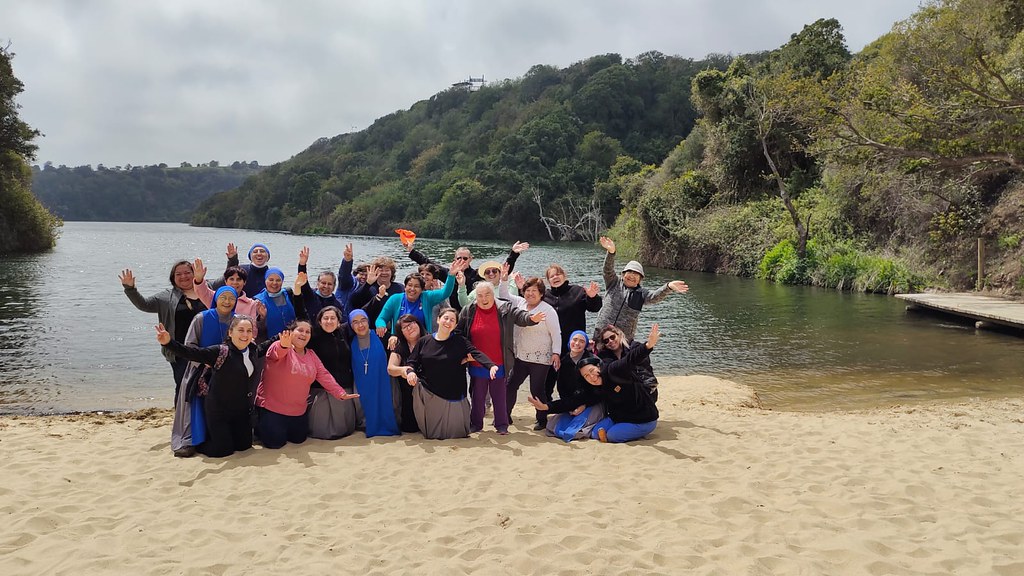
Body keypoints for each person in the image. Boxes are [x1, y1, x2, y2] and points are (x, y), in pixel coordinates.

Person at [121, 261, 207, 457]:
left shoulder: (206, 290)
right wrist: (130, 288)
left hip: (206, 351)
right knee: (185, 391)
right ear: (173, 277)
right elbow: (143, 305)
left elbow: (230, 283)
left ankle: (203, 428)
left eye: (188, 272)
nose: (184, 276)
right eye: (179, 274)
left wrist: (232, 259)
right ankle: (185, 434)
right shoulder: (166, 297)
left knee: (206, 390)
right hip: (180, 352)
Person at [156, 316, 272, 458]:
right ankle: (198, 444)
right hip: (218, 410)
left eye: (249, 331)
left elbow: (264, 346)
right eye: (240, 330)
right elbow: (191, 353)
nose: (245, 335)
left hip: (240, 410)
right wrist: (168, 343)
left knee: (244, 446)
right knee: (223, 450)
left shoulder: (252, 350)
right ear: (230, 332)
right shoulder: (220, 352)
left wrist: (282, 336)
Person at [530, 324, 662, 444]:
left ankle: (635, 431)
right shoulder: (593, 386)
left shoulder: (612, 370)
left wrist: (648, 345)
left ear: (599, 366)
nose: (592, 377)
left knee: (612, 436)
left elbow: (630, 360)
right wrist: (546, 407)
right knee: (595, 433)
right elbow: (572, 400)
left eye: (592, 371)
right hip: (619, 416)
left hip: (642, 418)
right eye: (586, 375)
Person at [254, 320, 359, 449]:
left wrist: (340, 393)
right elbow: (276, 353)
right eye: (300, 330)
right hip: (273, 410)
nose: (304, 334)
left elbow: (324, 375)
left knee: (299, 440)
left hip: (298, 412)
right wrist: (283, 346)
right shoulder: (279, 345)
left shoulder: (311, 354)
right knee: (275, 444)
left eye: (307, 332)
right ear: (291, 332)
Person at [398, 308, 498, 439]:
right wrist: (410, 372)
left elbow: (476, 353)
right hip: (431, 392)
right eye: (445, 318)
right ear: (438, 319)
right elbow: (412, 362)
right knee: (433, 435)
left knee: (458, 434)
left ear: (456, 325)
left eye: (452, 320)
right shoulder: (424, 341)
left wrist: (491, 366)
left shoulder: (460, 342)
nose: (448, 322)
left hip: (455, 393)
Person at [456, 283, 543, 434]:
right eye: (480, 296)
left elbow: (520, 316)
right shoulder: (468, 310)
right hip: (477, 361)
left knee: (499, 396)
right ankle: (476, 424)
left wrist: (531, 319)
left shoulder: (505, 308)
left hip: (500, 360)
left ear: (493, 294)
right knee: (477, 397)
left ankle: (501, 425)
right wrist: (463, 353)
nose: (484, 299)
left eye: (487, 295)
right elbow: (459, 333)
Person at [592, 236, 689, 341]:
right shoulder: (613, 283)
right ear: (623, 274)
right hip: (601, 334)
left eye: (636, 274)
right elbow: (608, 269)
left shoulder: (641, 294)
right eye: (629, 272)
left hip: (622, 340)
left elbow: (654, 296)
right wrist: (611, 253)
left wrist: (668, 287)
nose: (632, 276)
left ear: (640, 280)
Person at [500, 276, 561, 430]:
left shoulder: (547, 310)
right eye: (527, 290)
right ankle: (505, 415)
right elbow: (504, 294)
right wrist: (504, 279)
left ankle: (541, 420)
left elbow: (556, 333)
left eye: (534, 291)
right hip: (521, 355)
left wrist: (556, 353)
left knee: (537, 389)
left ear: (541, 294)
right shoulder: (520, 303)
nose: (530, 293)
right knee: (510, 385)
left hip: (540, 357)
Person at [406, 240, 529, 309]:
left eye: (465, 258)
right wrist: (412, 251)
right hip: (455, 311)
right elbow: (427, 262)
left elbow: (501, 271)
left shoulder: (478, 274)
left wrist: (513, 254)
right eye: (459, 258)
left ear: (471, 259)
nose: (462, 261)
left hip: (473, 311)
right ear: (454, 259)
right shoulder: (448, 273)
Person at [541, 264, 602, 401]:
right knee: (547, 383)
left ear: (564, 276)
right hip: (551, 347)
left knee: (571, 382)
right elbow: (527, 302)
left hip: (574, 347)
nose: (555, 277)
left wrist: (592, 297)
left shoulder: (578, 291)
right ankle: (543, 416)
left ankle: (574, 410)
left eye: (558, 274)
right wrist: (520, 288)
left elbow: (594, 308)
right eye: (552, 276)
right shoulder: (545, 296)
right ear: (547, 280)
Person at [374, 258, 467, 337]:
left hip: (423, 341)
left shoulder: (427, 297)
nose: (412, 289)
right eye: (409, 285)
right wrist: (381, 326)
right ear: (405, 287)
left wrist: (451, 275)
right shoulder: (395, 299)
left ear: (422, 289)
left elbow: (445, 293)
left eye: (417, 286)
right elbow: (381, 318)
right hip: (399, 340)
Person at [542, 330, 605, 442]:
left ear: (585, 344)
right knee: (552, 426)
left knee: (580, 426)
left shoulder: (593, 361)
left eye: (581, 341)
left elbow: (600, 390)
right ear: (569, 342)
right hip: (572, 402)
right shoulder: (563, 362)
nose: (577, 343)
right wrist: (571, 407)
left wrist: (584, 405)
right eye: (574, 340)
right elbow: (562, 389)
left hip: (592, 401)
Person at [306, 306, 358, 440]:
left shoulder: (343, 333)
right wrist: (299, 291)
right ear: (319, 321)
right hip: (321, 388)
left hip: (343, 384)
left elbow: (359, 315)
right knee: (322, 430)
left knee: (345, 428)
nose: (329, 321)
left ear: (339, 321)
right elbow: (301, 313)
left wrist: (378, 298)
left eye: (333, 318)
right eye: (325, 318)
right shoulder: (314, 336)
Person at [348, 309, 401, 437]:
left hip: (383, 379)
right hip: (362, 382)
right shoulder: (349, 341)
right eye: (355, 322)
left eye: (363, 320)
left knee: (389, 401)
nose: (360, 325)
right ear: (350, 325)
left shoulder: (381, 336)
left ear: (368, 321)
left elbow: (398, 346)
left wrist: (394, 336)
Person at [192, 260, 265, 339]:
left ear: (244, 282)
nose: (235, 282)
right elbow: (202, 291)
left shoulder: (251, 304)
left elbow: (252, 330)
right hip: (215, 341)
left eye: (239, 279)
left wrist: (262, 317)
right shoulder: (216, 297)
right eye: (231, 279)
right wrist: (199, 279)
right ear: (226, 282)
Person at [595, 324, 659, 402]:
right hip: (623, 395)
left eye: (612, 337)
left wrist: (648, 346)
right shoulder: (604, 356)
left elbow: (636, 358)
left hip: (644, 391)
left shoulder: (634, 346)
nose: (610, 341)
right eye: (606, 341)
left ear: (618, 335)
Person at [386, 314, 427, 433]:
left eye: (411, 324)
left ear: (418, 323)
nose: (409, 328)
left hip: (429, 390)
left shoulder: (430, 340)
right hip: (408, 393)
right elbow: (390, 368)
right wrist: (404, 370)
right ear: (401, 332)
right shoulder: (400, 346)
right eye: (404, 327)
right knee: (410, 428)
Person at [253, 268, 307, 340]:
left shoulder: (289, 293)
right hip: (271, 342)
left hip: (293, 340)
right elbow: (257, 329)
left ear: (282, 282)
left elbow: (300, 311)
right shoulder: (257, 300)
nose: (274, 283)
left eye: (278, 280)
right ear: (265, 281)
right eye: (271, 280)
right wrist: (262, 318)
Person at [296, 246, 346, 319]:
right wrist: (302, 264)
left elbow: (342, 323)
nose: (326, 286)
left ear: (334, 286)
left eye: (329, 284)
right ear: (318, 283)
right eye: (323, 283)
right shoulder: (310, 295)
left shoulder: (337, 304)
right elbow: (302, 280)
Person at [349, 256, 403, 323]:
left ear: (392, 272)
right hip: (373, 326)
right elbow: (353, 301)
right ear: (376, 272)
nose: (384, 273)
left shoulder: (400, 288)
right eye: (381, 270)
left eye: (387, 270)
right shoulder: (369, 288)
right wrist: (368, 283)